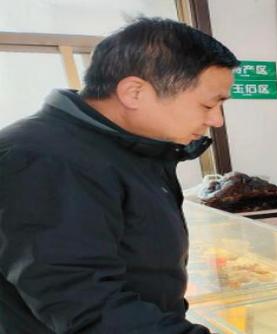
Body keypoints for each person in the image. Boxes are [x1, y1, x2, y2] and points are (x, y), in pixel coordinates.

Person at [0, 18, 239, 333]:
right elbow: (84, 302)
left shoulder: (128, 146)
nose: (216, 120)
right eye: (208, 105)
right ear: (134, 92)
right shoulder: (43, 158)